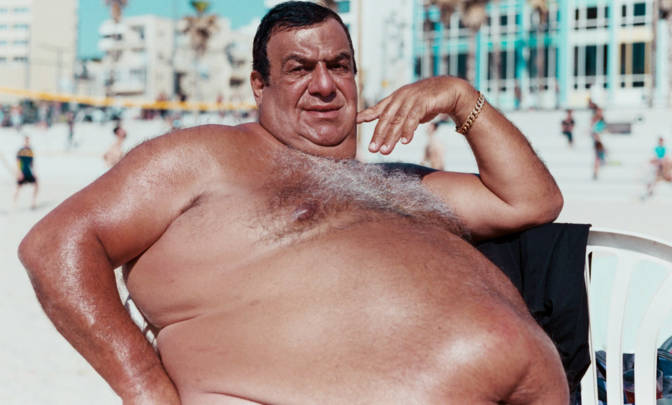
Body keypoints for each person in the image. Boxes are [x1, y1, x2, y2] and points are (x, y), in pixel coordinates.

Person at [18, 3, 567, 404]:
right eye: (300, 68)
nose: (325, 85)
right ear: (260, 86)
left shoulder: (393, 184)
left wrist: (461, 99)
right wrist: (144, 389)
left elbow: (531, 201)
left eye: (340, 65)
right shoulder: (206, 156)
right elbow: (56, 244)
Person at [14, 135, 38, 209]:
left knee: (36, 185)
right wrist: (19, 173)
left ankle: (33, 202)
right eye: (26, 141)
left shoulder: (30, 151)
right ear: (24, 141)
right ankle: (14, 203)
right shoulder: (20, 151)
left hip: (29, 172)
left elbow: (31, 164)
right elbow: (18, 163)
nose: (27, 142)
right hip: (22, 172)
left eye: (28, 141)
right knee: (18, 188)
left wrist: (34, 173)